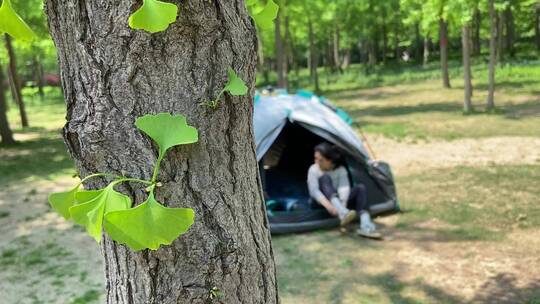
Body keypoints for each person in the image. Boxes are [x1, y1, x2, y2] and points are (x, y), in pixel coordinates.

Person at [307, 142, 381, 238]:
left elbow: (344, 189)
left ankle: (366, 225)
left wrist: (343, 206)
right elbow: (314, 191)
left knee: (360, 188)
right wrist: (330, 206)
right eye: (315, 158)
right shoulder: (314, 169)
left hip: (340, 205)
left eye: (320, 160)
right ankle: (343, 213)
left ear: (330, 160)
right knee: (325, 178)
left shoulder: (341, 170)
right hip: (321, 203)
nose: (316, 162)